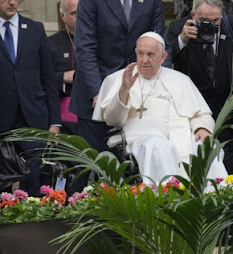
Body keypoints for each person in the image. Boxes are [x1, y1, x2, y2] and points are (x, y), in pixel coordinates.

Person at [92, 32, 227, 184]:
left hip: (180, 135)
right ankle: (165, 199)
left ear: (163, 57)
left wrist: (201, 128)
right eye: (141, 54)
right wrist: (124, 90)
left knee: (207, 147)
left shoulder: (181, 80)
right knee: (159, 146)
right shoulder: (119, 78)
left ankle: (215, 198)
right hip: (137, 138)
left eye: (150, 54)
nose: (144, 60)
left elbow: (201, 113)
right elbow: (112, 120)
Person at [166, 0, 233, 172]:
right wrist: (182, 40)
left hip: (224, 104)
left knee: (225, 159)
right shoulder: (178, 28)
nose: (211, 25)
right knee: (192, 158)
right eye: (204, 20)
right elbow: (163, 60)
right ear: (193, 16)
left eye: (216, 21)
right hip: (191, 109)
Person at [0, 0, 60, 197]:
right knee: (3, 177)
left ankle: (33, 222)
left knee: (34, 174)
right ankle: (3, 222)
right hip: (0, 117)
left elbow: (48, 78)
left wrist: (55, 122)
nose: (12, 2)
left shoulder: (35, 29)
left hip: (33, 114)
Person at [69, 0, 168, 153]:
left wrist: (163, 85)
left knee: (135, 168)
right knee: (94, 167)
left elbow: (161, 44)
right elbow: (85, 47)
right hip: (94, 97)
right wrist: (98, 92)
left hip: (137, 99)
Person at [47, 0, 78, 135]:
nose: (81, 17)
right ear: (62, 16)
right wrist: (63, 77)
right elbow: (42, 78)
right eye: (75, 13)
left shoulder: (99, 41)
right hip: (62, 118)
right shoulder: (50, 43)